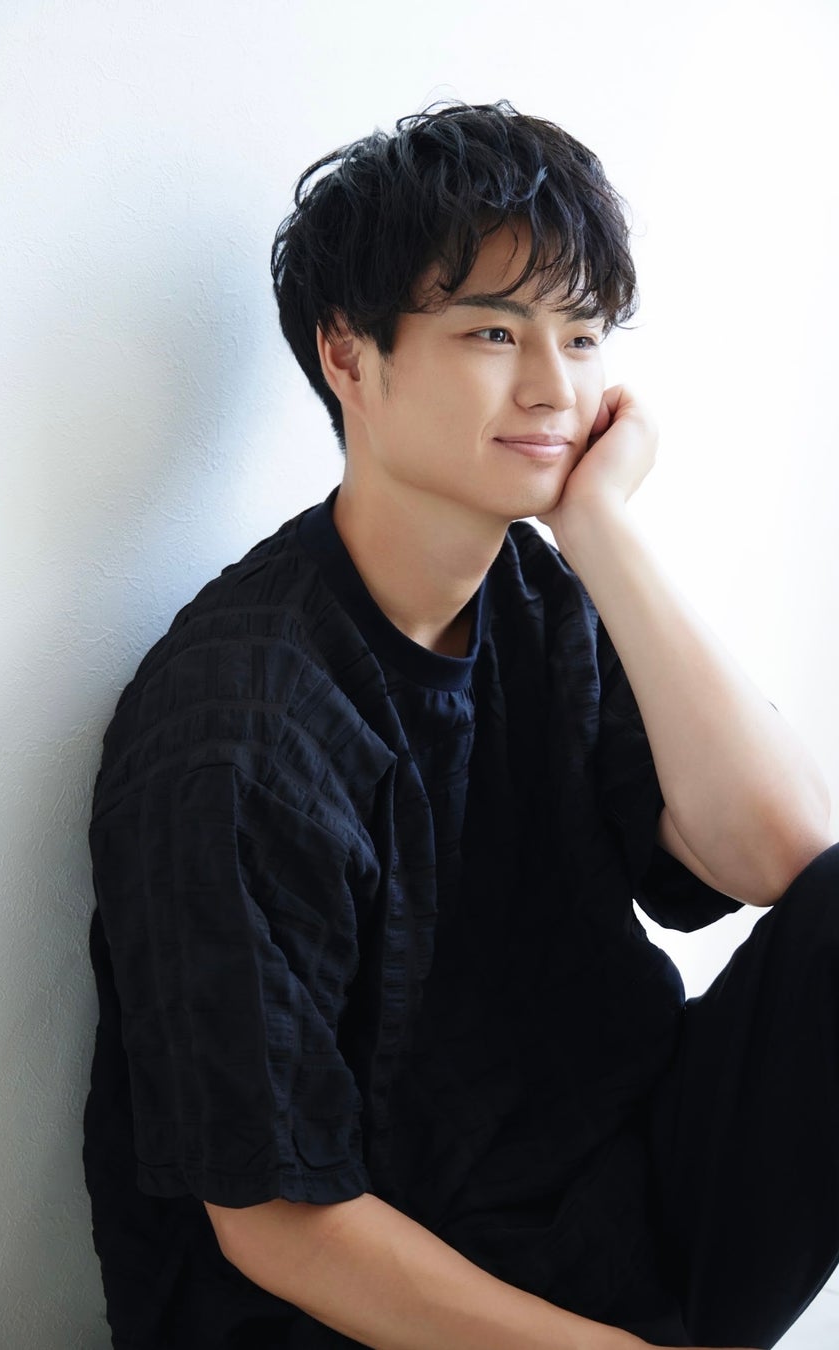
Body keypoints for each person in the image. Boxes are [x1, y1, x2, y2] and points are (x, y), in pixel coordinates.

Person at [83, 101, 838, 1350]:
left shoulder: (538, 591)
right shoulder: (235, 732)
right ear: (347, 354)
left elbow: (786, 859)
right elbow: (276, 1222)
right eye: (493, 330)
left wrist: (599, 530)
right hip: (367, 1301)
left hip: (610, 1207)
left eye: (581, 335)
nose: (553, 387)